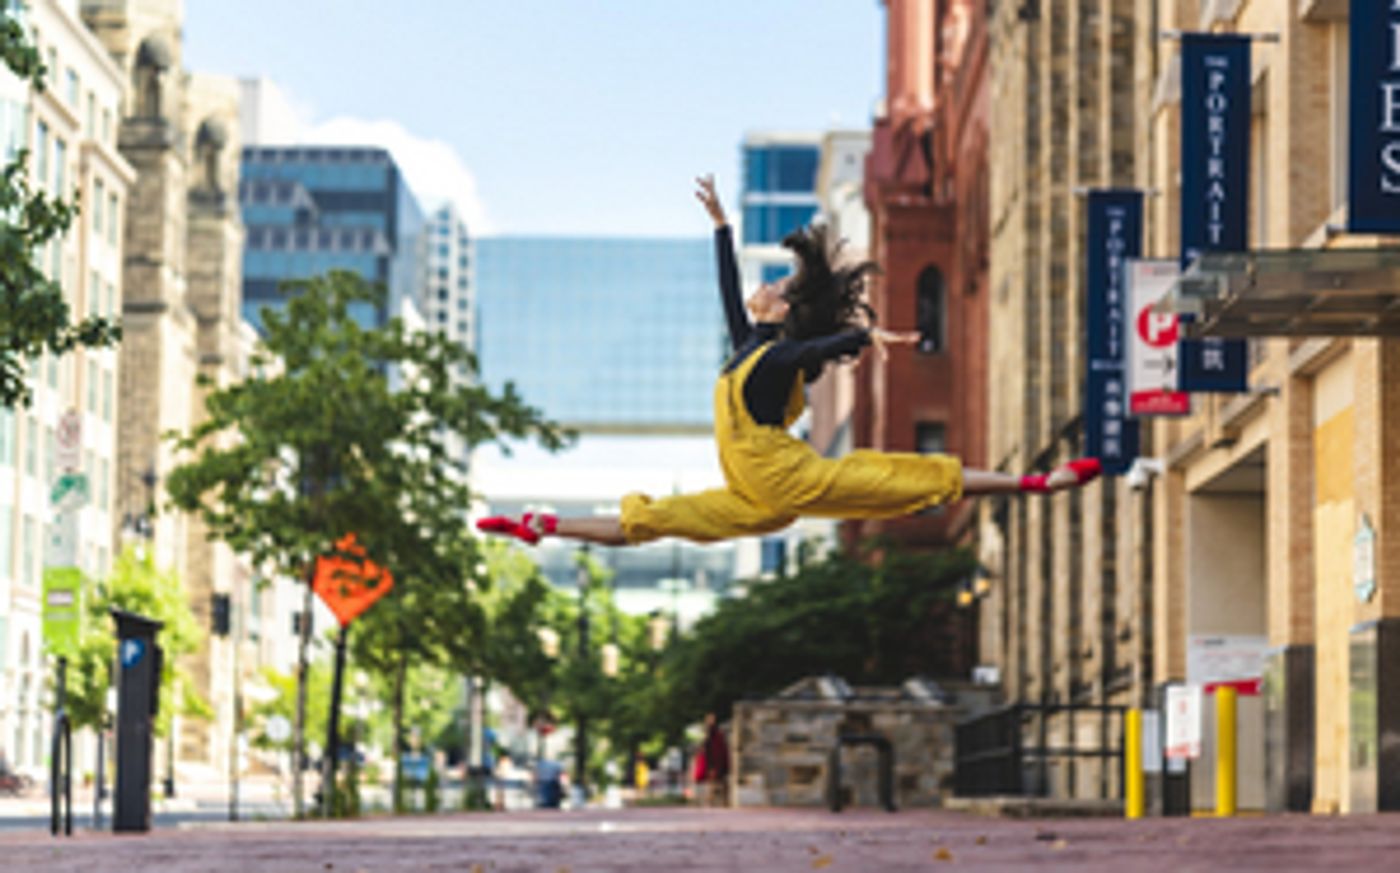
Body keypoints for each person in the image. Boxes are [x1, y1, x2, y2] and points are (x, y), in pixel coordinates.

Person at [477, 176, 1101, 548]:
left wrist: (863, 337)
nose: (763, 289)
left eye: (772, 288)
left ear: (778, 312)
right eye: (768, 285)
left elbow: (818, 349)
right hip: (754, 494)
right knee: (657, 520)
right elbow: (727, 288)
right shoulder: (749, 345)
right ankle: (544, 525)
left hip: (786, 478)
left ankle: (1036, 483)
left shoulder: (776, 358)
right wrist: (722, 225)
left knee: (900, 476)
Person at [694, 712, 730, 808]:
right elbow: (704, 748)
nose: (711, 721)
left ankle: (719, 801)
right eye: (709, 719)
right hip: (708, 761)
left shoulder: (718, 734)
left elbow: (721, 748)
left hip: (717, 760)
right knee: (709, 782)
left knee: (719, 782)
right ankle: (709, 801)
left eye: (713, 719)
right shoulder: (706, 734)